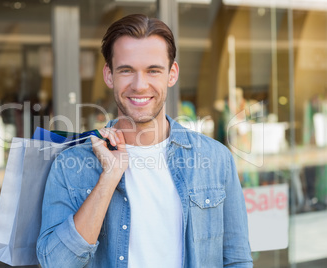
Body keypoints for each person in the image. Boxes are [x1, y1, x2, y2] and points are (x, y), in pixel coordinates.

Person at [37, 14, 252, 267]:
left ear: (172, 74)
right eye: (126, 70)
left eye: (153, 70)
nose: (140, 85)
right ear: (109, 75)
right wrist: (109, 178)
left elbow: (236, 260)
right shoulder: (70, 165)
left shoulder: (215, 158)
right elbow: (54, 263)